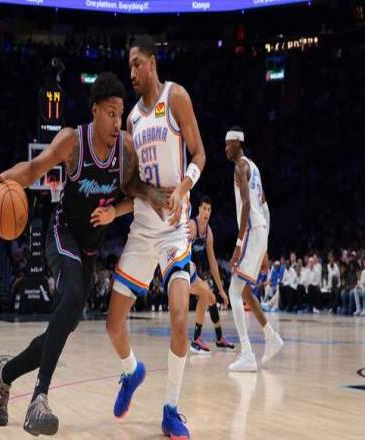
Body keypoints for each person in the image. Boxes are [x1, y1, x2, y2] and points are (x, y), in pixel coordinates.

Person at [0, 72, 167, 436]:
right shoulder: (73, 141)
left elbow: (133, 188)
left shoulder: (126, 150)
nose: (117, 121)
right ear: (95, 110)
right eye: (111, 113)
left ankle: (5, 373)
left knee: (65, 324)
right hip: (63, 233)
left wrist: (139, 201)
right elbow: (34, 169)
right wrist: (4, 178)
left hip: (90, 248)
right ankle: (39, 400)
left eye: (120, 114)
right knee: (70, 297)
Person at [105, 35, 206, 439]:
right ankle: (131, 372)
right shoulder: (131, 120)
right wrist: (131, 201)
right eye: (128, 66)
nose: (131, 72)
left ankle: (170, 410)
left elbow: (199, 154)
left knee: (180, 318)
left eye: (136, 64)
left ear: (151, 62)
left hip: (174, 230)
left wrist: (182, 188)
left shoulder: (175, 97)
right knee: (113, 325)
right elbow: (131, 185)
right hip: (142, 229)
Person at [224, 126, 284, 372]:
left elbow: (248, 204)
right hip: (260, 231)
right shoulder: (255, 167)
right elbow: (265, 207)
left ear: (238, 142)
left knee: (233, 291)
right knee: (245, 291)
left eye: (228, 144)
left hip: (250, 231)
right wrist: (265, 248)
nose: (225, 148)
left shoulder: (240, 167)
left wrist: (239, 244)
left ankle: (247, 353)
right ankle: (271, 336)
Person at [188, 195, 235, 355]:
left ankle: (216, 339)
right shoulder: (192, 226)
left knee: (210, 297)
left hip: (194, 272)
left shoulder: (208, 233)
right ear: (199, 210)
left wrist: (222, 290)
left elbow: (213, 263)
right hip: (182, 269)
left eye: (209, 209)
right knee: (207, 294)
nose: (206, 212)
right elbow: (182, 248)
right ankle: (197, 340)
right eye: (204, 208)